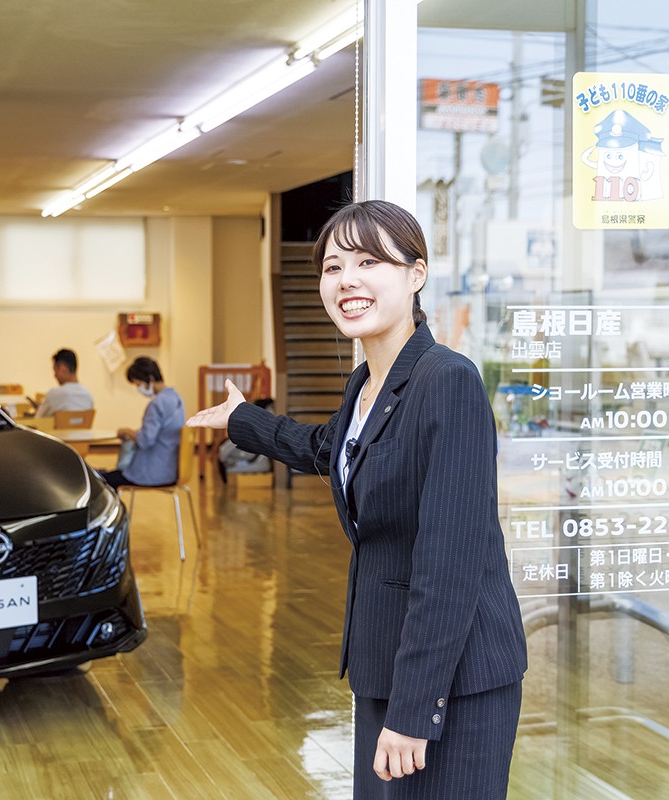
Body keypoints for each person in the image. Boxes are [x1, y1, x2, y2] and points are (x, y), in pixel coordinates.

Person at [186, 200, 527, 799]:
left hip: (452, 680)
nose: (346, 280)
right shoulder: (366, 381)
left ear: (415, 273)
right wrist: (245, 419)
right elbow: (334, 450)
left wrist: (415, 710)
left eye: (369, 261)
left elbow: (450, 563)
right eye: (332, 266)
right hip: (386, 661)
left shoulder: (447, 381)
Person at [99, 356, 184, 489]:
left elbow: (146, 441)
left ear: (149, 378)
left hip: (152, 472)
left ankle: (114, 509)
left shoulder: (157, 404)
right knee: (110, 475)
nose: (138, 389)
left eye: (138, 385)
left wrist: (127, 432)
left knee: (102, 481)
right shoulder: (176, 398)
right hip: (170, 470)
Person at [35, 348, 94, 417]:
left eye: (55, 371)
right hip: (81, 428)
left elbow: (38, 420)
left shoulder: (54, 395)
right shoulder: (88, 396)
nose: (54, 375)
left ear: (63, 369)